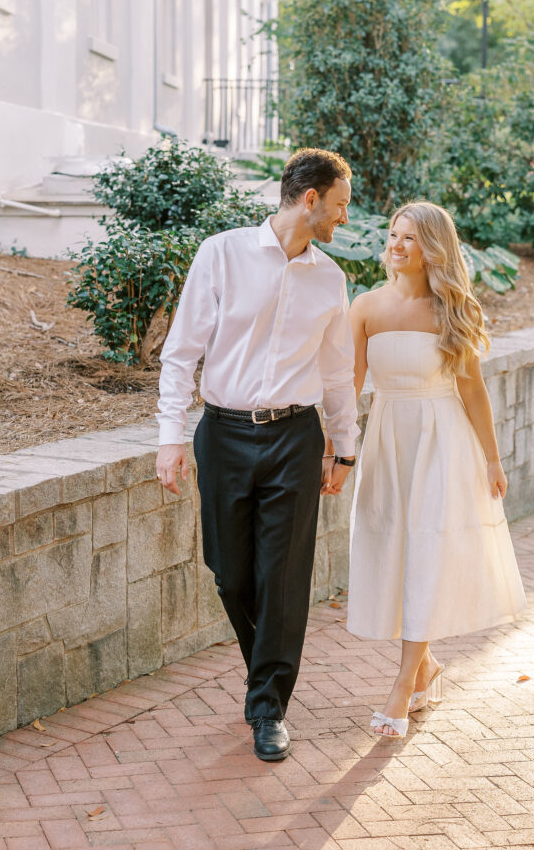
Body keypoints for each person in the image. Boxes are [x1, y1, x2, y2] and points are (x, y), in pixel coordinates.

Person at [155, 148, 359, 761]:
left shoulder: (330, 278)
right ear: (310, 199)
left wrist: (342, 448)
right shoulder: (222, 253)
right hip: (223, 433)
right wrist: (169, 435)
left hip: (295, 438)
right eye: (341, 205)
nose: (344, 219)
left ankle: (268, 705)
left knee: (284, 575)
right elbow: (181, 351)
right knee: (231, 570)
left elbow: (337, 372)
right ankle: (263, 673)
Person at [343, 201, 526, 738]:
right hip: (388, 441)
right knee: (394, 552)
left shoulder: (454, 310)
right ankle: (426, 668)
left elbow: (472, 389)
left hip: (443, 444)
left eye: (411, 239)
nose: (397, 246)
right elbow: (349, 388)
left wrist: (492, 459)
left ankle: (401, 690)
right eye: (395, 236)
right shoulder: (366, 307)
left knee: (425, 553)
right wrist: (337, 452)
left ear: (433, 249)